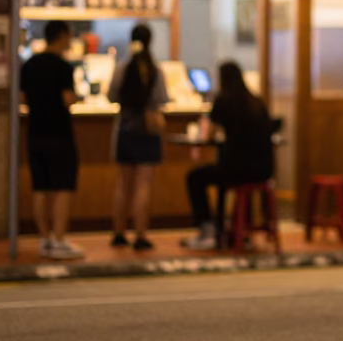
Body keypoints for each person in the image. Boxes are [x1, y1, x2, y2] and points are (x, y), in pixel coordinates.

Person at [183, 62, 276, 250]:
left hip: (237, 168)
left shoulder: (224, 101)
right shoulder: (256, 101)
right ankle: (241, 231)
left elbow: (209, 134)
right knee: (228, 177)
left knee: (195, 177)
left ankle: (208, 229)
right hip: (264, 169)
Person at [19, 21, 85, 260]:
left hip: (35, 132)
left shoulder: (29, 65)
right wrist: (77, 98)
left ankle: (44, 238)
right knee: (63, 187)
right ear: (62, 36)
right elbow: (68, 99)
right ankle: (59, 239)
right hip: (59, 133)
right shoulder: (63, 67)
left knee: (41, 187)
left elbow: (22, 97)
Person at [107, 24, 169, 251]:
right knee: (144, 185)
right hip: (148, 132)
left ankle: (118, 233)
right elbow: (162, 99)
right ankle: (140, 235)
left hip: (125, 129)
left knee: (123, 184)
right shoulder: (156, 70)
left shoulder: (123, 67)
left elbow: (111, 95)